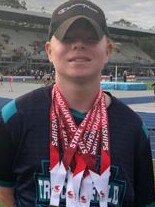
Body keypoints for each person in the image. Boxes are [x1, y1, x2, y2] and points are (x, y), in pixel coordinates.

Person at [0, 0, 154, 206]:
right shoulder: (15, 117)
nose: (79, 44)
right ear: (48, 51)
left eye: (91, 38)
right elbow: (4, 192)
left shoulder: (134, 128)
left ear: (108, 50)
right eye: (67, 37)